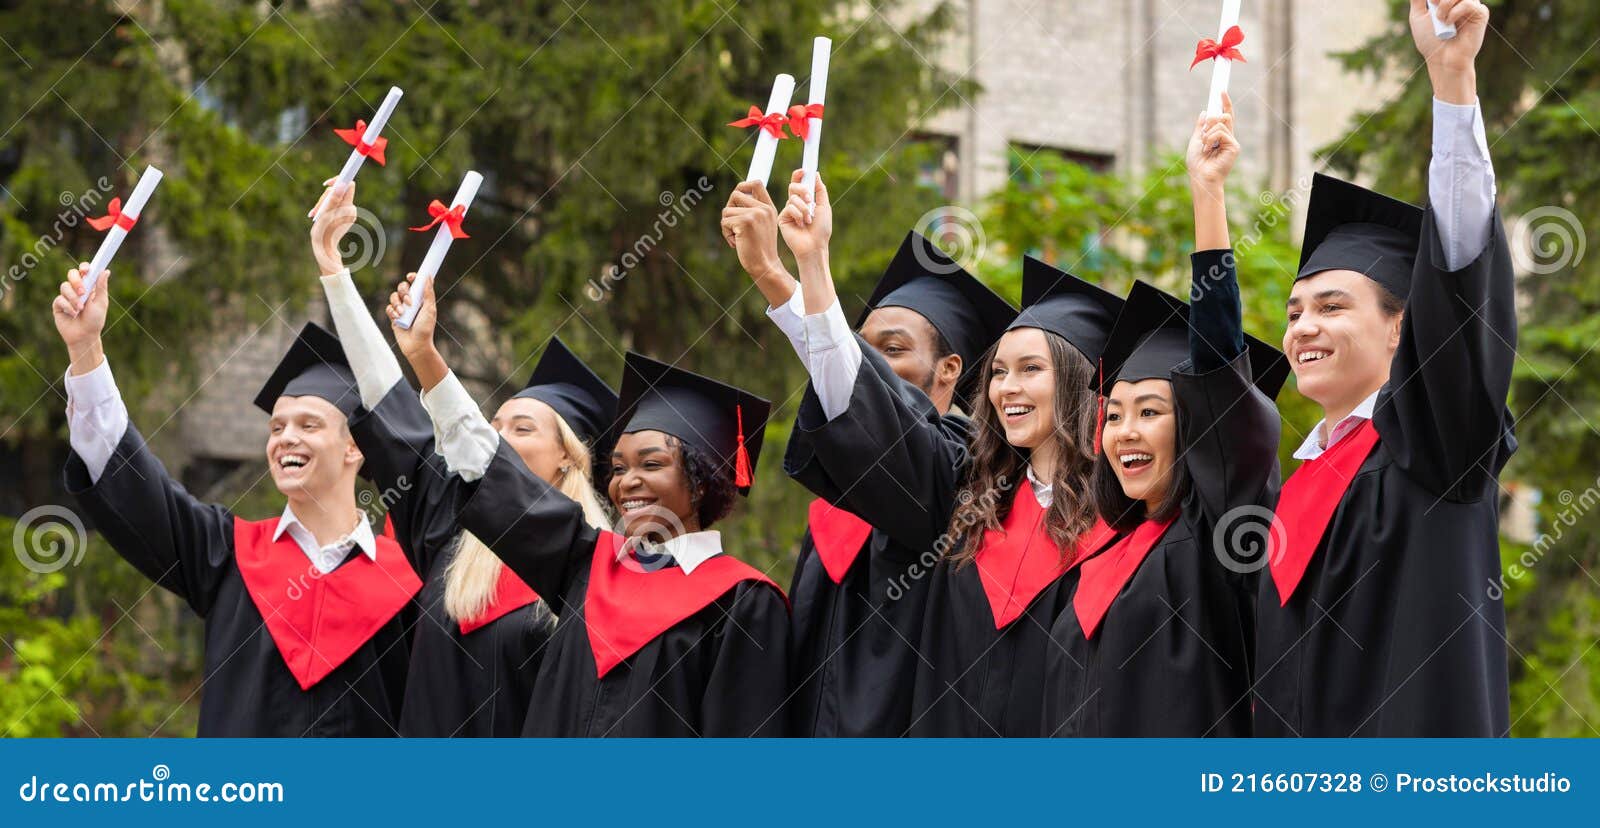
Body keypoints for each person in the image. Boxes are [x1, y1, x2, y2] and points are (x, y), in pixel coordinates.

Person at [773, 173, 1126, 736]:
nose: (1008, 387)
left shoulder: (1126, 521)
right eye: (1001, 372)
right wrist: (797, 272)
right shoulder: (969, 499)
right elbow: (867, 408)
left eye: (1031, 369)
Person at [1254, 0, 1515, 736]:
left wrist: (1451, 81)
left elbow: (1460, 273)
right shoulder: (1297, 486)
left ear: (1404, 325)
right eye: (1296, 310)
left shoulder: (1434, 446)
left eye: (1332, 306)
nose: (1303, 326)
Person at [391, 278, 791, 736]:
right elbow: (496, 475)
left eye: (652, 464)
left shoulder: (742, 601)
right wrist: (425, 357)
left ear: (702, 482)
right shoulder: (587, 563)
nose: (628, 482)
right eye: (618, 468)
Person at [55, 263, 419, 735]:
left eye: (308, 425)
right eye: (276, 427)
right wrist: (85, 349)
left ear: (355, 447)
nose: (286, 437)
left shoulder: (410, 577)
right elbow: (134, 484)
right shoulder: (228, 555)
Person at [309, 183, 615, 736]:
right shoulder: (450, 532)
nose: (500, 436)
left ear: (567, 461)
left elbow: (477, 450)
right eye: (495, 424)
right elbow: (389, 403)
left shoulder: (590, 570)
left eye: (522, 429)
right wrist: (335, 270)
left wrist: (428, 359)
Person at [724, 175, 1015, 736]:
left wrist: (800, 271)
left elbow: (862, 394)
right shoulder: (838, 508)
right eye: (865, 348)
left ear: (949, 370)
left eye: (894, 351)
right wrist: (767, 271)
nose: (875, 363)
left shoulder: (961, 472)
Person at [1041, 97, 1289, 736]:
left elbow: (1219, 385)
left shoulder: (1221, 536)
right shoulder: (1097, 558)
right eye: (1114, 413)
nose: (1123, 430)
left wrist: (1207, 198)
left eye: (1150, 411)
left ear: (1198, 428)